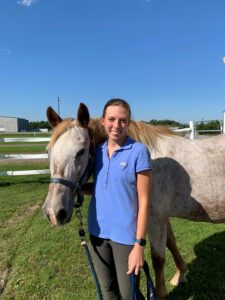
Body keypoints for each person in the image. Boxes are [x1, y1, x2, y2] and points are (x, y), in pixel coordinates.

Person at [88, 98, 152, 300]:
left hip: (125, 236)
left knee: (129, 294)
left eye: (122, 120)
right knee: (108, 291)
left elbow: (144, 201)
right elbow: (100, 187)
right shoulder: (96, 152)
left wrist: (139, 245)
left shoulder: (139, 152)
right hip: (97, 232)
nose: (116, 125)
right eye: (112, 119)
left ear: (129, 122)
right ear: (102, 121)